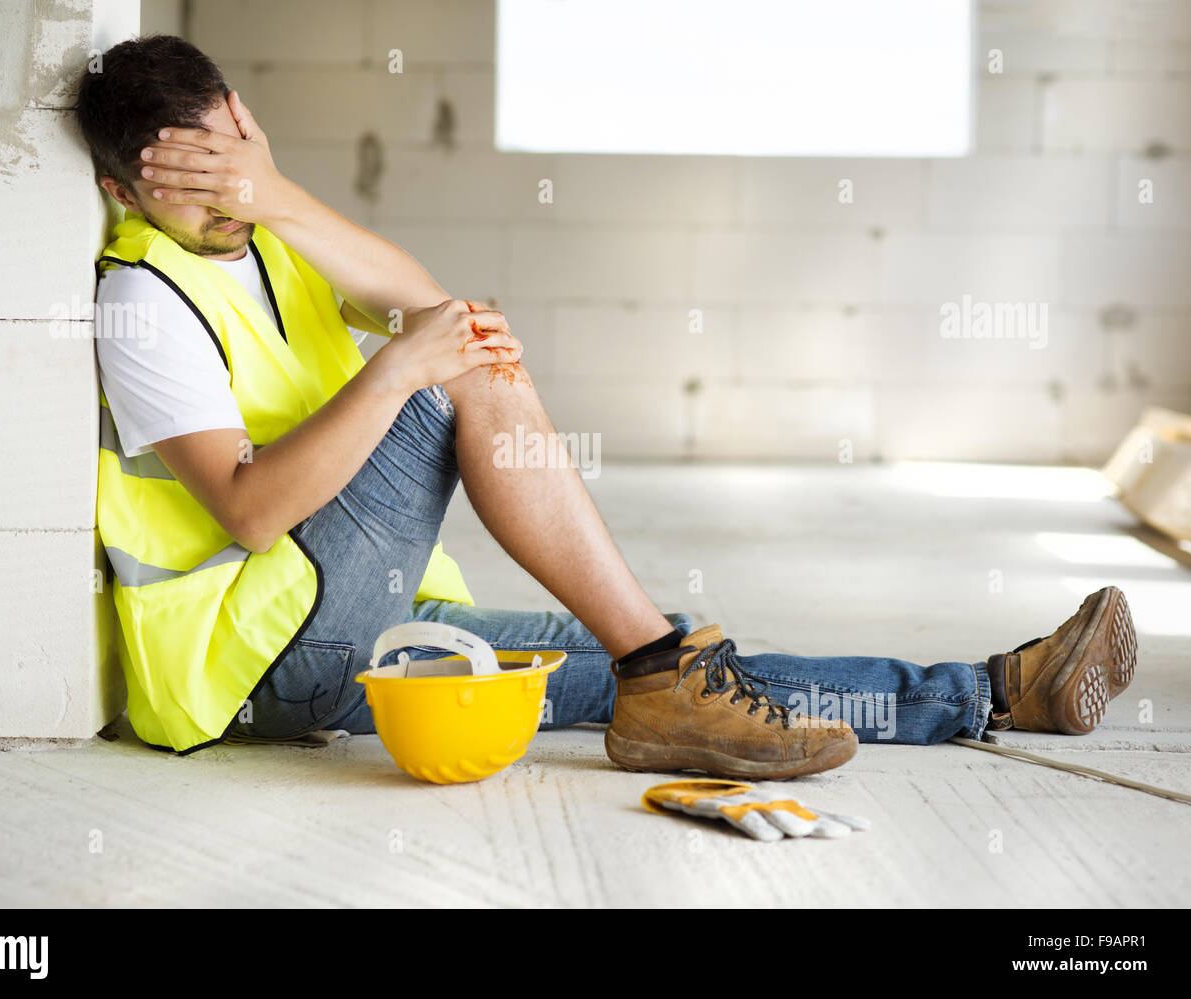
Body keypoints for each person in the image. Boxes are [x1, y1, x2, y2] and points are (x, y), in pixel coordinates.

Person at [75, 35, 1137, 779]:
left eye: (232, 159)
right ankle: (659, 668)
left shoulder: (263, 228)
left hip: (354, 623)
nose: (221, 200)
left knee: (671, 667)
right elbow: (253, 512)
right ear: (124, 192)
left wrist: (275, 197)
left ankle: (994, 691)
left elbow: (418, 298)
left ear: (249, 130)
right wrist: (398, 369)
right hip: (255, 655)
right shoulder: (143, 299)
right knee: (458, 365)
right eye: (188, 180)